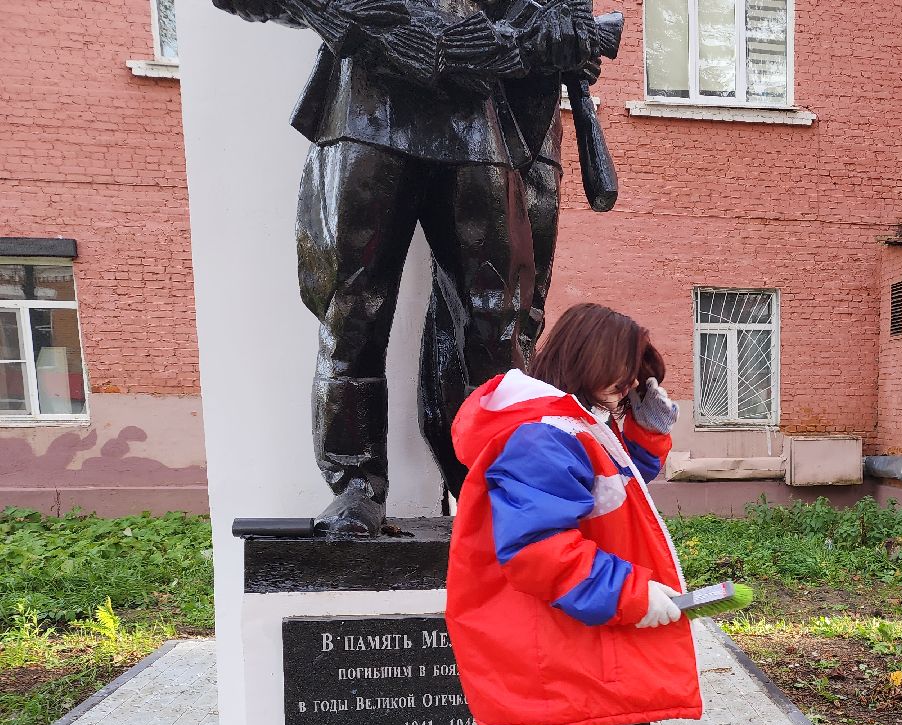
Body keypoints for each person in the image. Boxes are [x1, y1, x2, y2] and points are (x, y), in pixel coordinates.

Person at [211, 0, 607, 536]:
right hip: (366, 110)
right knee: (352, 311)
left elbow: (563, 23)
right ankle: (355, 484)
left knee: (499, 321)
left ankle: (498, 482)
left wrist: (533, 37)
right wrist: (345, 19)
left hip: (478, 116)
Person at [444, 303, 734, 725]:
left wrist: (647, 429)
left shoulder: (563, 425)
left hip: (556, 651)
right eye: (622, 374)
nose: (626, 386)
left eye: (636, 377)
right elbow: (542, 552)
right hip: (575, 652)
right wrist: (635, 596)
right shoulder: (545, 435)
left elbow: (615, 487)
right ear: (584, 358)